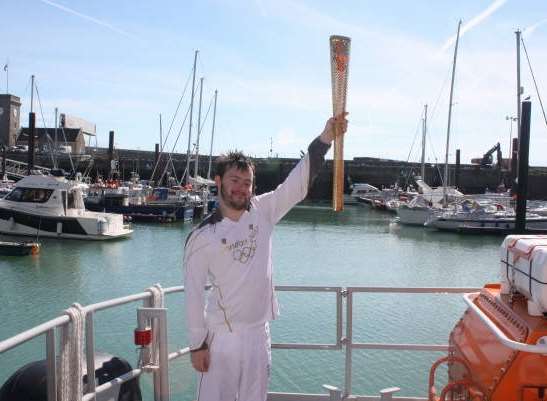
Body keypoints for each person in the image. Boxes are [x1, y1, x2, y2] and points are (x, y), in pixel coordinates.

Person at [183, 113, 348, 401]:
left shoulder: (264, 211)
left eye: (247, 182)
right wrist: (197, 345)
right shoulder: (201, 237)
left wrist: (325, 139)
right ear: (218, 181)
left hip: (259, 335)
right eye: (234, 180)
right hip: (221, 338)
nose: (241, 188)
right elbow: (193, 295)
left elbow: (297, 184)